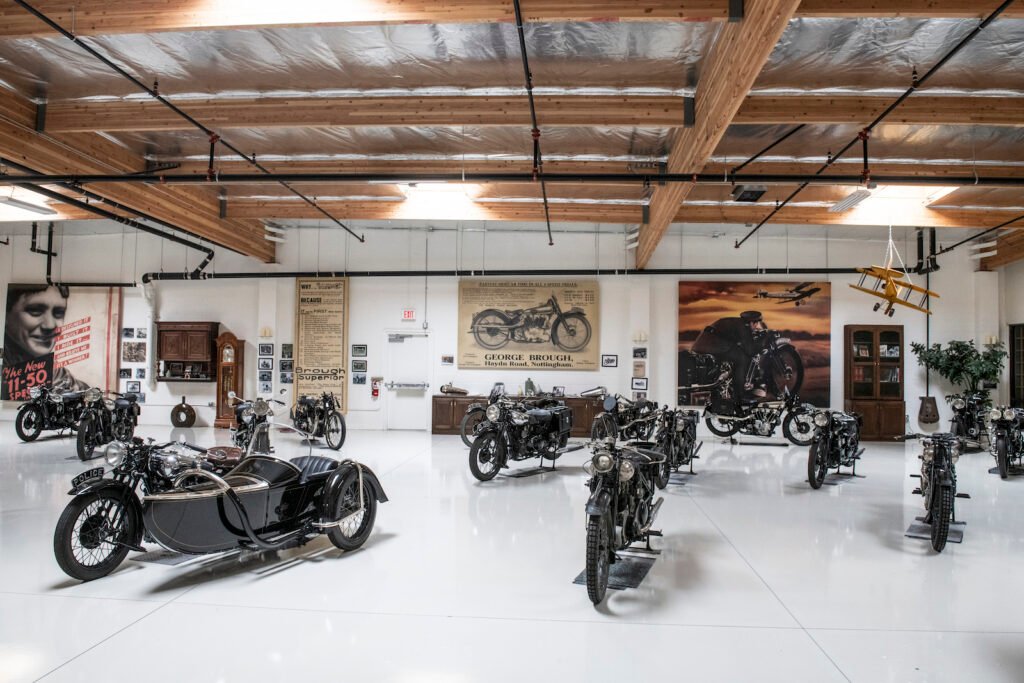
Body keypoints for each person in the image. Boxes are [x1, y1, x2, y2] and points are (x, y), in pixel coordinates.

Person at [3, 284, 87, 396]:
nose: (49, 325)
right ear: (7, 315)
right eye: (35, 311)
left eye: (58, 313)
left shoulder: (67, 382)